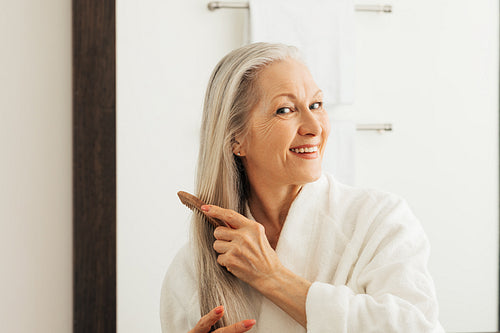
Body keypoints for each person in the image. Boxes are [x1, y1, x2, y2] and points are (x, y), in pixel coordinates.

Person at [160, 42, 444, 333]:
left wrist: (273, 278)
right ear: (236, 139)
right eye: (285, 110)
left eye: (316, 105)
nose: (315, 127)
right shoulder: (194, 268)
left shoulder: (379, 220)